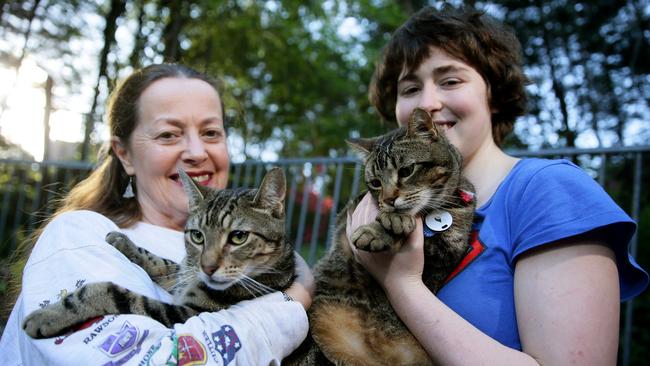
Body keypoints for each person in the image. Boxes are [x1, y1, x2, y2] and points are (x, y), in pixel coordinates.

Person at [347, 6, 648, 365]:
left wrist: (401, 285)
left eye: (450, 80)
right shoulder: (388, 202)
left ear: (493, 92)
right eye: (410, 87)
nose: (428, 102)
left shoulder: (548, 191)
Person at [0, 63, 314, 365]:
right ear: (124, 155)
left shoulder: (256, 243)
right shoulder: (79, 236)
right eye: (168, 134)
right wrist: (293, 302)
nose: (196, 152)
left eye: (211, 133)